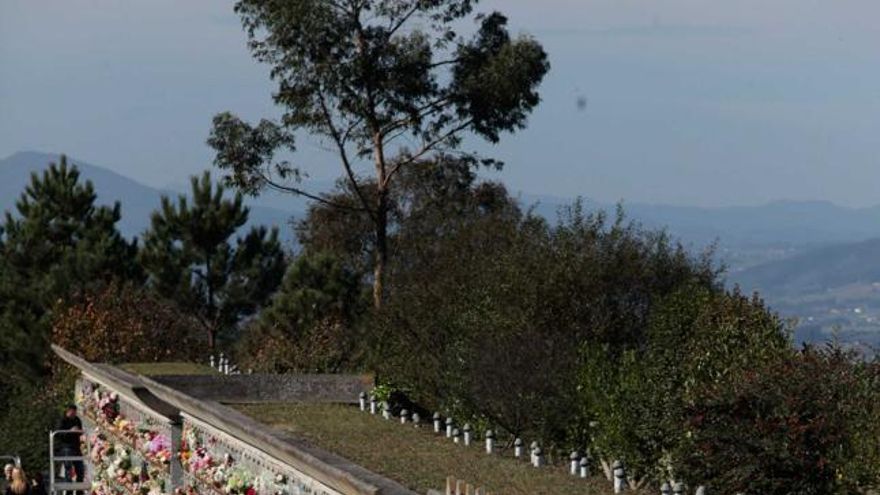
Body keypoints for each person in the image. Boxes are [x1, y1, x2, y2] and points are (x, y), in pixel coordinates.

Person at [56, 404, 84, 484]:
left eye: (75, 413)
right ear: (68, 411)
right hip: (66, 447)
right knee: (68, 470)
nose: (74, 415)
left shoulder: (77, 419)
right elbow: (58, 434)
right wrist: (70, 431)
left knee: (80, 469)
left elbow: (80, 431)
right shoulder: (62, 420)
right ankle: (69, 491)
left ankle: (79, 491)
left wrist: (79, 431)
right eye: (73, 413)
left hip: (76, 446)